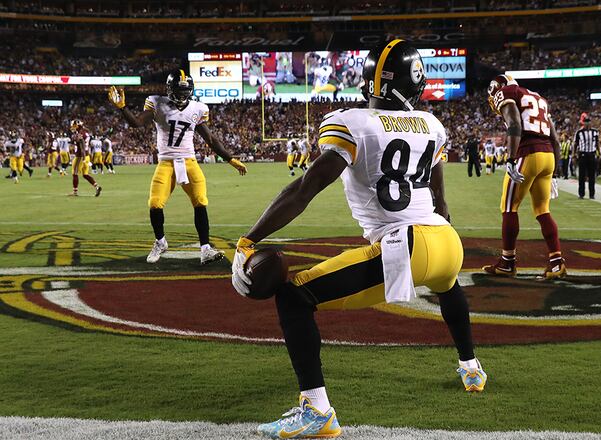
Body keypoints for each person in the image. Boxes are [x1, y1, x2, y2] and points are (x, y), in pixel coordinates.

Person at [231, 40, 486, 439]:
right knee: (449, 287)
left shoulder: (353, 122)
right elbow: (441, 203)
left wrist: (249, 239)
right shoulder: (432, 125)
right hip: (447, 243)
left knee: (295, 296)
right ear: (415, 83)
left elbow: (304, 189)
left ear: (371, 82)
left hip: (407, 245)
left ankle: (317, 411)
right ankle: (471, 367)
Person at [107, 69, 247, 265]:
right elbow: (137, 124)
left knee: (200, 201)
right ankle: (160, 241)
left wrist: (230, 159)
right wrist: (122, 108)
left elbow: (211, 139)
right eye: (179, 91)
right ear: (169, 89)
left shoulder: (198, 108)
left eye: (185, 92)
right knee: (155, 203)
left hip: (189, 162)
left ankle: (205, 249)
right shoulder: (157, 103)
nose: (182, 95)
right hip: (166, 163)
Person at [482, 73, 565, 280]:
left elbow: (515, 124)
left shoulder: (507, 92)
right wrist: (555, 171)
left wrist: (510, 159)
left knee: (509, 206)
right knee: (542, 210)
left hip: (528, 153)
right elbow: (554, 138)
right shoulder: (539, 98)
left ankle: (507, 262)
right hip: (548, 156)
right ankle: (557, 263)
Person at [67, 120, 102, 197]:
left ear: (78, 126)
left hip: (80, 156)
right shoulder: (85, 133)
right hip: (87, 156)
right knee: (85, 174)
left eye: (74, 126)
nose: (73, 127)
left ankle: (75, 192)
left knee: (74, 173)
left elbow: (82, 148)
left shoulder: (80, 135)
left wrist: (82, 159)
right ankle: (97, 187)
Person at [573, 112, 599, 199]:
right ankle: (581, 194)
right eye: (586, 122)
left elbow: (597, 143)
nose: (587, 124)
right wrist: (573, 155)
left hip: (592, 154)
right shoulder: (579, 132)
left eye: (588, 122)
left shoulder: (595, 132)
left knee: (592, 175)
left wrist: (598, 153)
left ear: (590, 123)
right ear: (583, 123)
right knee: (582, 175)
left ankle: (592, 194)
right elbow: (575, 144)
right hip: (583, 154)